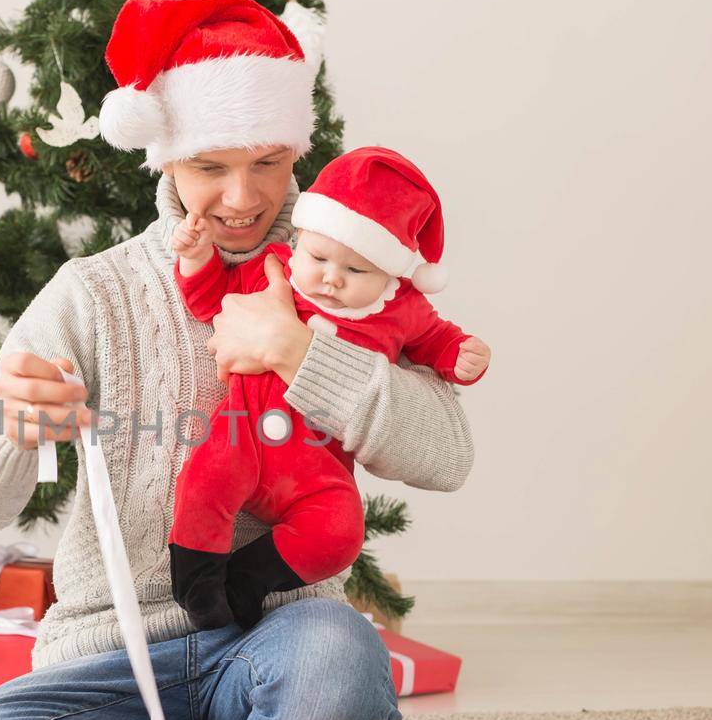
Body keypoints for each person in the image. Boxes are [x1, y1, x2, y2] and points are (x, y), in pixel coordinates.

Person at [0, 0, 474, 720]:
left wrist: (303, 355)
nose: (242, 196)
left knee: (336, 673)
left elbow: (448, 455)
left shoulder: (347, 274)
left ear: (297, 149)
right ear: (167, 159)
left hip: (274, 635)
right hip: (112, 652)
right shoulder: (92, 292)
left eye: (267, 161)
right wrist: (8, 425)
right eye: (211, 165)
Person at [167, 145, 491, 631]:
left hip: (317, 464)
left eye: (356, 270)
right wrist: (196, 260)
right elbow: (210, 298)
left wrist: (460, 353)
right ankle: (196, 577)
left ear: (391, 275)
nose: (331, 279)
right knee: (207, 480)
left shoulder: (401, 309)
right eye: (318, 257)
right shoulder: (275, 268)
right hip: (244, 435)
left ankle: (248, 579)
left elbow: (436, 340)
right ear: (300, 241)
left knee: (339, 530)